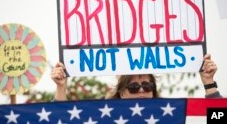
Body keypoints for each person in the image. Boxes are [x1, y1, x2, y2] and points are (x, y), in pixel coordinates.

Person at [51, 54, 221, 101]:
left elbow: (218, 118)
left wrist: (208, 83)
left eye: (147, 86)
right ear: (122, 92)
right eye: (133, 87)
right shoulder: (104, 117)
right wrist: (61, 88)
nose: (141, 90)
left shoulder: (170, 115)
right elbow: (60, 121)